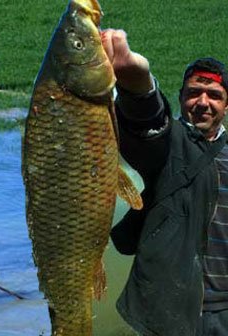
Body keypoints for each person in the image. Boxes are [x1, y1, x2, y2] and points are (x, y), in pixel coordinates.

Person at [102, 28, 228, 335]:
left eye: (214, 95)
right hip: (165, 307)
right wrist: (138, 88)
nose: (202, 102)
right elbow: (148, 126)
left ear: (226, 106)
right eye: (193, 92)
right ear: (181, 97)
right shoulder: (168, 141)